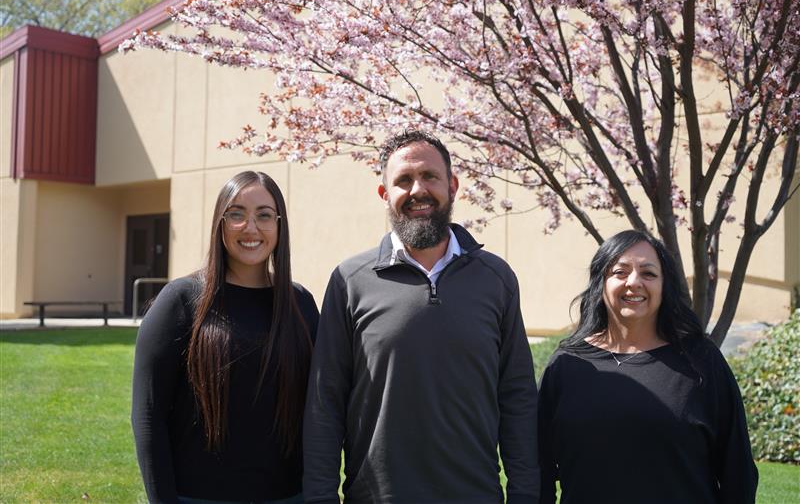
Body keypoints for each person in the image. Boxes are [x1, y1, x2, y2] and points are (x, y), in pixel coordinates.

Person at [303, 130, 540, 504]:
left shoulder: (496, 279)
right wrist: (320, 496)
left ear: (453, 185)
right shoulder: (350, 280)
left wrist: (526, 493)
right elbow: (325, 400)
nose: (418, 191)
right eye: (403, 181)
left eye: (430, 176)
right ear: (385, 195)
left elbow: (518, 396)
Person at [132, 171, 319, 504]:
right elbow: (149, 415)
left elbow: (319, 407)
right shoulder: (180, 301)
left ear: (279, 225)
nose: (250, 228)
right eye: (236, 214)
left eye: (264, 215)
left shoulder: (299, 303)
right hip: (198, 496)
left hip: (290, 496)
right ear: (220, 223)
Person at [537, 230, 758, 504]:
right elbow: (539, 466)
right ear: (601, 283)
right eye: (620, 272)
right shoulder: (567, 364)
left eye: (648, 274)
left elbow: (738, 470)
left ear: (665, 286)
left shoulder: (701, 361)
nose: (634, 282)